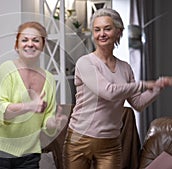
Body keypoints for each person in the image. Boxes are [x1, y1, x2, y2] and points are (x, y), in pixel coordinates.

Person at [63, 8, 172, 169]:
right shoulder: (85, 63)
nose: (102, 34)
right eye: (97, 30)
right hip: (79, 139)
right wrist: (144, 84)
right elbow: (108, 92)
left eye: (107, 29)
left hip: (110, 142)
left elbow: (138, 103)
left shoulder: (125, 68)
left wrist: (157, 87)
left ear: (119, 32)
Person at [0, 21, 67, 169]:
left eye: (36, 40)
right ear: (16, 46)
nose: (30, 44)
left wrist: (53, 123)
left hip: (28, 156)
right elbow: (0, 111)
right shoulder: (6, 70)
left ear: (43, 46)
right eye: (24, 40)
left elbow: (47, 119)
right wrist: (29, 106)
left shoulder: (49, 78)